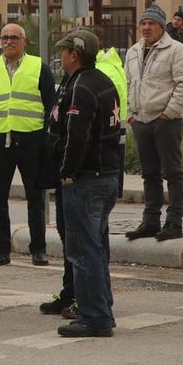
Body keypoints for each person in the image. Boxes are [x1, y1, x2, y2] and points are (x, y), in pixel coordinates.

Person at [40, 44, 127, 320]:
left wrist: (66, 171)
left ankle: (95, 316)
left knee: (84, 250)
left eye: (63, 51)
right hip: (104, 175)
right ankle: (100, 307)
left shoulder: (83, 86)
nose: (60, 56)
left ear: (74, 55)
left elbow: (76, 137)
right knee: (96, 247)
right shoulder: (99, 80)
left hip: (87, 179)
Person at [0, 23, 55, 267]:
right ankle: (1, 248)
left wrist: (43, 138)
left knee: (36, 198)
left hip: (31, 141)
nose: (9, 42)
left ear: (24, 41)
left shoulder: (39, 67)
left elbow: (50, 106)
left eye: (14, 38)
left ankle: (38, 249)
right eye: (5, 37)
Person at [123, 4, 183, 241]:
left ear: (161, 26)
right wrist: (131, 115)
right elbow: (126, 84)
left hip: (166, 121)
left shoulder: (177, 50)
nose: (146, 27)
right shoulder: (133, 52)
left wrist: (168, 113)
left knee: (172, 172)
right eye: (143, 23)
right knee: (149, 174)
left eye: (151, 23)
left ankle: (174, 222)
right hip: (141, 121)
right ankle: (151, 221)